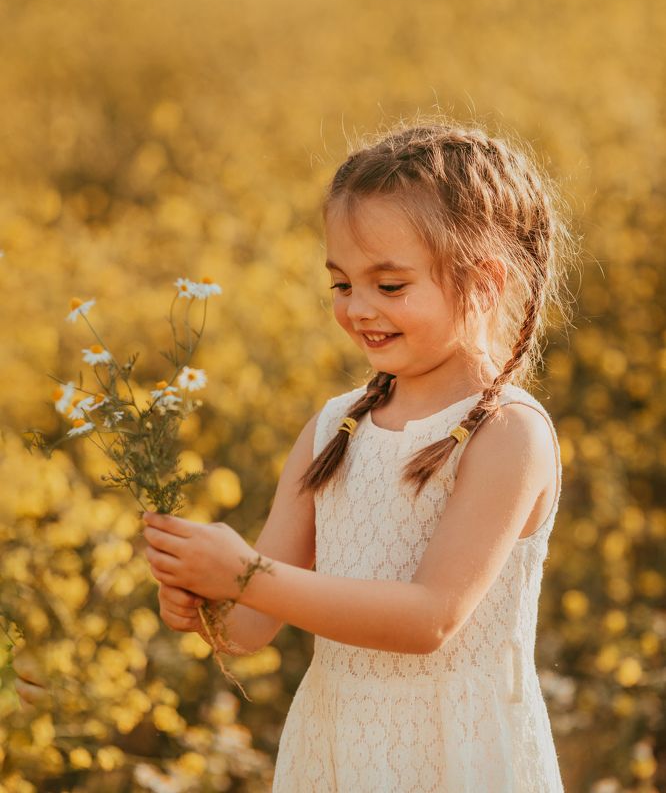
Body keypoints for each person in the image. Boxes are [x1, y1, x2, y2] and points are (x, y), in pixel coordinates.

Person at [143, 120, 576, 792]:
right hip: (338, 749)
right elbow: (254, 625)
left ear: (486, 283)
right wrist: (208, 601)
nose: (358, 309)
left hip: (456, 757)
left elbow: (430, 618)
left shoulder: (508, 435)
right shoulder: (333, 427)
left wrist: (245, 572)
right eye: (341, 284)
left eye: (391, 285)